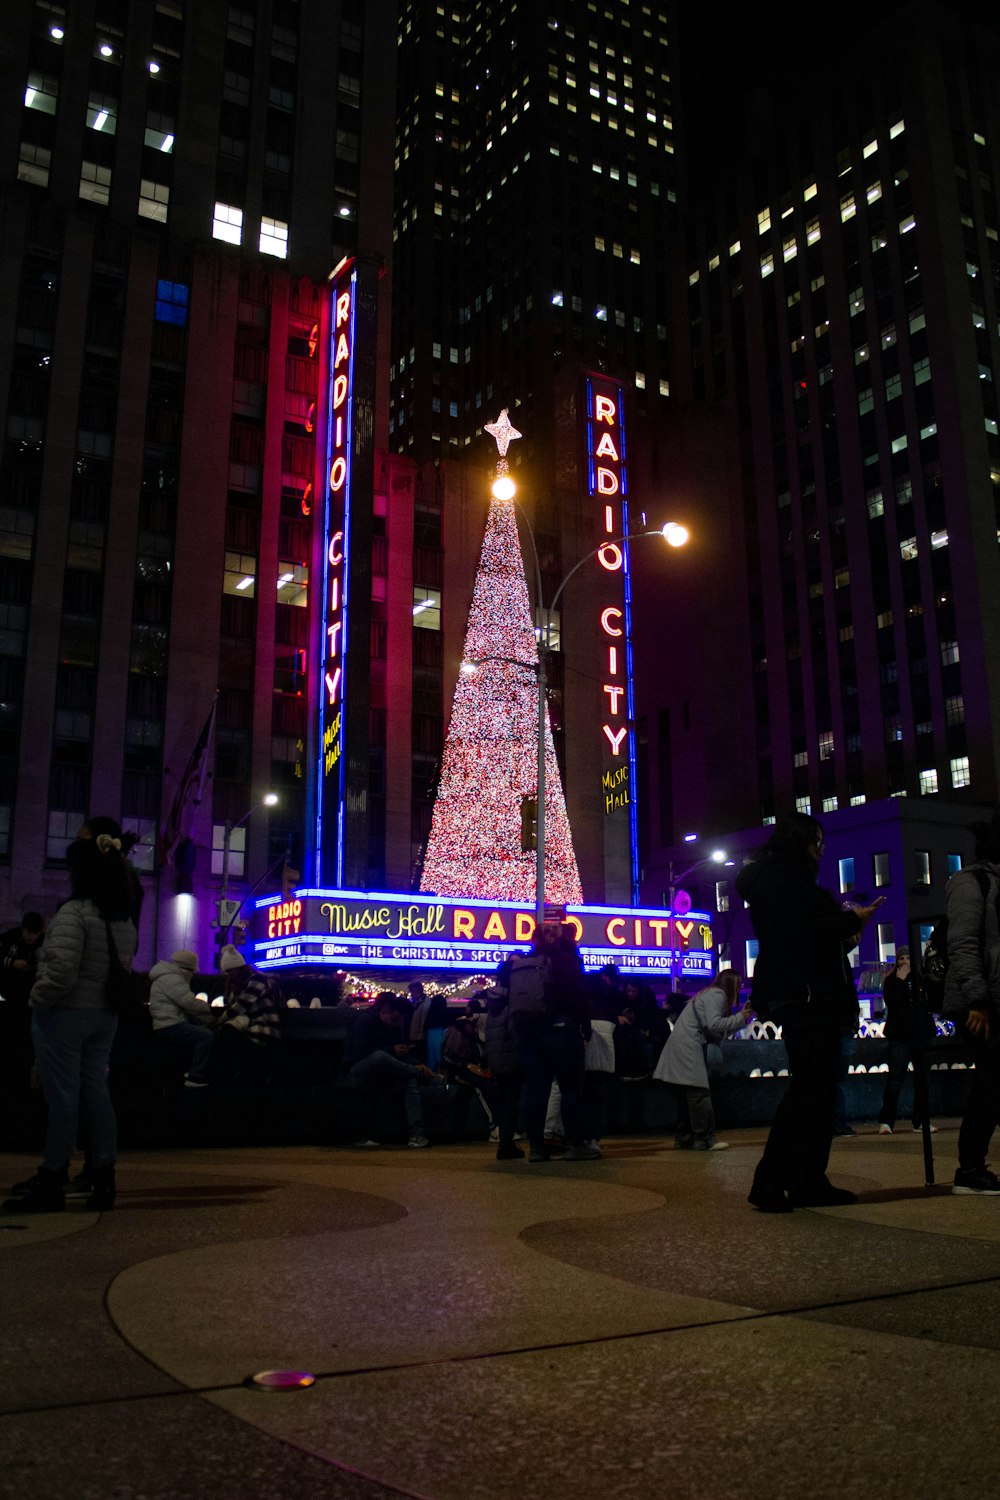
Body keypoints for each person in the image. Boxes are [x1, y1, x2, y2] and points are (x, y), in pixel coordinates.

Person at [736, 812, 883, 1213]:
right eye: (815, 842)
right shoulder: (782, 882)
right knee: (809, 1092)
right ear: (797, 842)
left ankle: (806, 1179)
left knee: (816, 1093)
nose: (821, 850)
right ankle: (773, 1181)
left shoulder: (785, 881)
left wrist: (846, 930)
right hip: (805, 998)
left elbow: (807, 939)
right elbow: (798, 934)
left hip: (810, 995)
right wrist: (848, 920)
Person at [2, 830, 136, 1214]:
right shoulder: (122, 920)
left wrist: (37, 1001)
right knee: (96, 1092)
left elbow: (59, 972)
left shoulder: (73, 914)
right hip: (104, 1016)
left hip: (65, 1015)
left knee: (61, 1098)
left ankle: (52, 1176)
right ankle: (104, 1175)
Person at [942, 811, 1000, 1194]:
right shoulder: (971, 882)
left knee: (993, 1083)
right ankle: (970, 1169)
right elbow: (962, 943)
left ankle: (972, 1168)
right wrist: (977, 999)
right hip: (984, 1002)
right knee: (992, 1083)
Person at [508, 923, 598, 1163]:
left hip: (530, 1035)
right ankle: (574, 1145)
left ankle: (537, 1148)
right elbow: (576, 994)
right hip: (561, 1030)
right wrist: (585, 1024)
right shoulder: (566, 960)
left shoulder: (525, 962)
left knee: (536, 1091)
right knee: (570, 1089)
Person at [653, 970, 751, 1150]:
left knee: (686, 1094)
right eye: (738, 985)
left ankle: (685, 1137)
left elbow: (712, 1029)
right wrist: (740, 1018)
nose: (739, 988)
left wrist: (738, 1021)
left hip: (681, 1044)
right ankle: (705, 1138)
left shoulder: (707, 993)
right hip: (689, 1046)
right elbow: (715, 1025)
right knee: (699, 1093)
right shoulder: (718, 994)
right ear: (731, 984)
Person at [346, 992, 443, 1147]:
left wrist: (416, 1063)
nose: (395, 1022)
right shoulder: (364, 1021)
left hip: (381, 1073)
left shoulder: (393, 1027)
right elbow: (361, 1052)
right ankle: (420, 1075)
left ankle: (416, 1134)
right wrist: (393, 1051)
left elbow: (400, 1054)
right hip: (357, 1071)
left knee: (409, 1080)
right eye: (393, 1018)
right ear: (385, 1011)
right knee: (380, 1056)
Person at [876, 948, 937, 1136]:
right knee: (895, 1079)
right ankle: (887, 1121)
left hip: (921, 1033)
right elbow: (892, 1003)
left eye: (908, 958)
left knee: (923, 1080)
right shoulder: (891, 981)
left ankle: (921, 1120)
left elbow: (930, 1000)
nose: (905, 962)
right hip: (900, 1036)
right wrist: (900, 981)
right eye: (901, 958)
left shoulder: (922, 978)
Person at [214, 944, 285, 1082]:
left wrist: (220, 1019)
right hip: (253, 1027)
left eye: (230, 971)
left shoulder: (257, 979)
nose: (229, 975)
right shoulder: (241, 982)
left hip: (264, 1027)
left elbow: (242, 1005)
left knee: (228, 1036)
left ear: (238, 967)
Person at [148, 949, 217, 1087]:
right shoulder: (173, 979)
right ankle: (195, 1076)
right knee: (206, 1035)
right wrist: (207, 1007)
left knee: (201, 1031)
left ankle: (192, 1070)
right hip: (169, 1024)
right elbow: (189, 1002)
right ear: (188, 968)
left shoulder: (167, 976)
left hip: (165, 1022)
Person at [0, 912, 44, 1101]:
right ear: (22, 928)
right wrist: (12, 962)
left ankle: (21, 1082)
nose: (30, 937)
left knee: (25, 1043)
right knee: (10, 1040)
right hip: (10, 1000)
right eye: (28, 932)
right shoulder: (10, 938)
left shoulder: (44, 944)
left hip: (30, 1003)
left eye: (34, 933)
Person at [484, 983, 524, 1160]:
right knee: (511, 1103)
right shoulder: (512, 1001)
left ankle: (504, 1141)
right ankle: (507, 1143)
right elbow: (515, 1032)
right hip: (510, 1058)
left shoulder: (494, 1002)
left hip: (496, 1058)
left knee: (502, 1102)